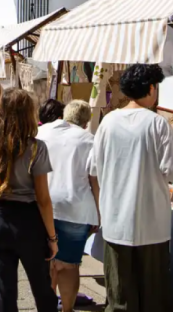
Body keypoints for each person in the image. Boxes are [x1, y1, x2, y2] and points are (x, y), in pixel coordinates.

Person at [93, 64, 173, 312]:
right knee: (152, 298)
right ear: (151, 89)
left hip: (115, 223)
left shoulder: (107, 124)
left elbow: (94, 168)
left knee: (119, 298)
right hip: (152, 226)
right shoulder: (158, 125)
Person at [0, 88, 57, 312]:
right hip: (28, 220)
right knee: (42, 288)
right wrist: (52, 237)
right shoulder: (36, 148)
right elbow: (43, 198)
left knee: (4, 290)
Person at [37, 100, 99, 312]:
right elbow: (94, 181)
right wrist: (99, 215)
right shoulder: (89, 140)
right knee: (69, 264)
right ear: (85, 122)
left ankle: (46, 307)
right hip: (76, 208)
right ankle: (67, 309)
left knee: (48, 262)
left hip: (42, 206)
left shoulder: (42, 132)